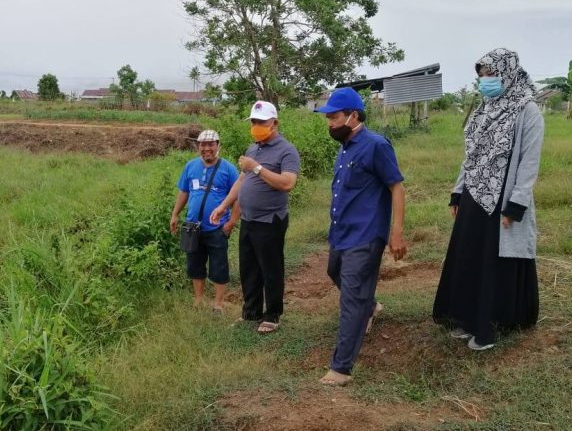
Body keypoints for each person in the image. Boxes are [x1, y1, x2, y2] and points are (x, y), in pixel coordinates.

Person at [433, 48, 544, 351]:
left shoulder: (527, 110)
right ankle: (465, 317)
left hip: (503, 198)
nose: (486, 80)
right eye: (482, 75)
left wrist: (516, 205)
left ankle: (491, 323)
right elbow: (471, 157)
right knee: (469, 256)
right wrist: (458, 192)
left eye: (491, 74)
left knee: (494, 261)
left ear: (508, 72)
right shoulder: (484, 109)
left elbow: (529, 162)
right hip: (475, 194)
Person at [314, 87, 407, 386]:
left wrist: (396, 233)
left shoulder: (376, 145)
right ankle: (370, 305)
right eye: (328, 118)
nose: (330, 123)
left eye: (334, 117)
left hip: (366, 234)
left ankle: (341, 368)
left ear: (353, 116)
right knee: (334, 271)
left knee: (351, 297)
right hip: (342, 231)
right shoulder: (345, 147)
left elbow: (396, 187)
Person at [210, 101, 301, 333]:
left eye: (261, 121)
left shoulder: (287, 150)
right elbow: (242, 181)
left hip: (270, 220)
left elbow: (288, 183)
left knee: (270, 268)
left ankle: (272, 315)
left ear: (274, 123)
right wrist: (223, 206)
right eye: (253, 121)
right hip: (248, 219)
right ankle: (251, 312)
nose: (256, 126)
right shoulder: (253, 148)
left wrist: (257, 168)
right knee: (249, 268)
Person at [171, 129, 241, 312]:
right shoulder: (190, 166)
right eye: (202, 145)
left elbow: (238, 198)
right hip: (192, 227)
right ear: (198, 147)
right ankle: (198, 300)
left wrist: (231, 223)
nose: (206, 148)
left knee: (219, 266)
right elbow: (184, 191)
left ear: (218, 146)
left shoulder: (228, 169)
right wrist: (175, 214)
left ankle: (218, 304)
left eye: (210, 144)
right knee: (195, 265)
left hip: (217, 228)